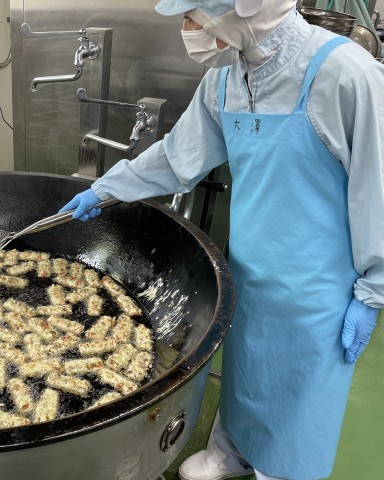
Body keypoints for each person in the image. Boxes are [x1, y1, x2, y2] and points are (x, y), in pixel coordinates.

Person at [59, 1, 384, 479]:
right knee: (245, 369)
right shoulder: (227, 76)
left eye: (192, 16)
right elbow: (178, 156)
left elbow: (378, 186)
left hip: (316, 285)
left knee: (300, 388)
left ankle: (283, 471)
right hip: (251, 264)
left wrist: (374, 289)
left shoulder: (345, 74)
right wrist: (109, 187)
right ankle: (233, 450)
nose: (186, 29)